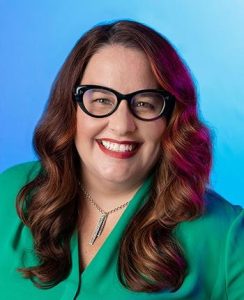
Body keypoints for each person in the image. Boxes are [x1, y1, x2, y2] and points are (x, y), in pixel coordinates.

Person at [0, 19, 243, 300]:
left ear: (171, 119)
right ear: (71, 108)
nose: (121, 125)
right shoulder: (9, 191)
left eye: (144, 103)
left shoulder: (227, 237)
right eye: (101, 100)